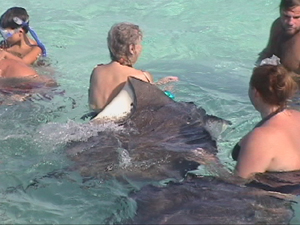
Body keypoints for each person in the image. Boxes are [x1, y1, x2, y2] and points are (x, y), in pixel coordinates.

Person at [88, 22, 178, 112]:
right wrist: (167, 92)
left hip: (93, 120)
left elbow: (115, 95)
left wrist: (157, 84)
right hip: (124, 124)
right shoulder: (141, 76)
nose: (141, 47)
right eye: (140, 44)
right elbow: (152, 107)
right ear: (132, 48)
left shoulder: (97, 71)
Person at [232, 64, 300, 179]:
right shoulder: (297, 116)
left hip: (272, 194)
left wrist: (210, 162)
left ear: (255, 93)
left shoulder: (260, 137)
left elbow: (239, 184)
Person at [257, 0, 300, 74]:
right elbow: (268, 52)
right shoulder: (278, 26)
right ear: (280, 12)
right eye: (286, 16)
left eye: (296, 17)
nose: (290, 22)